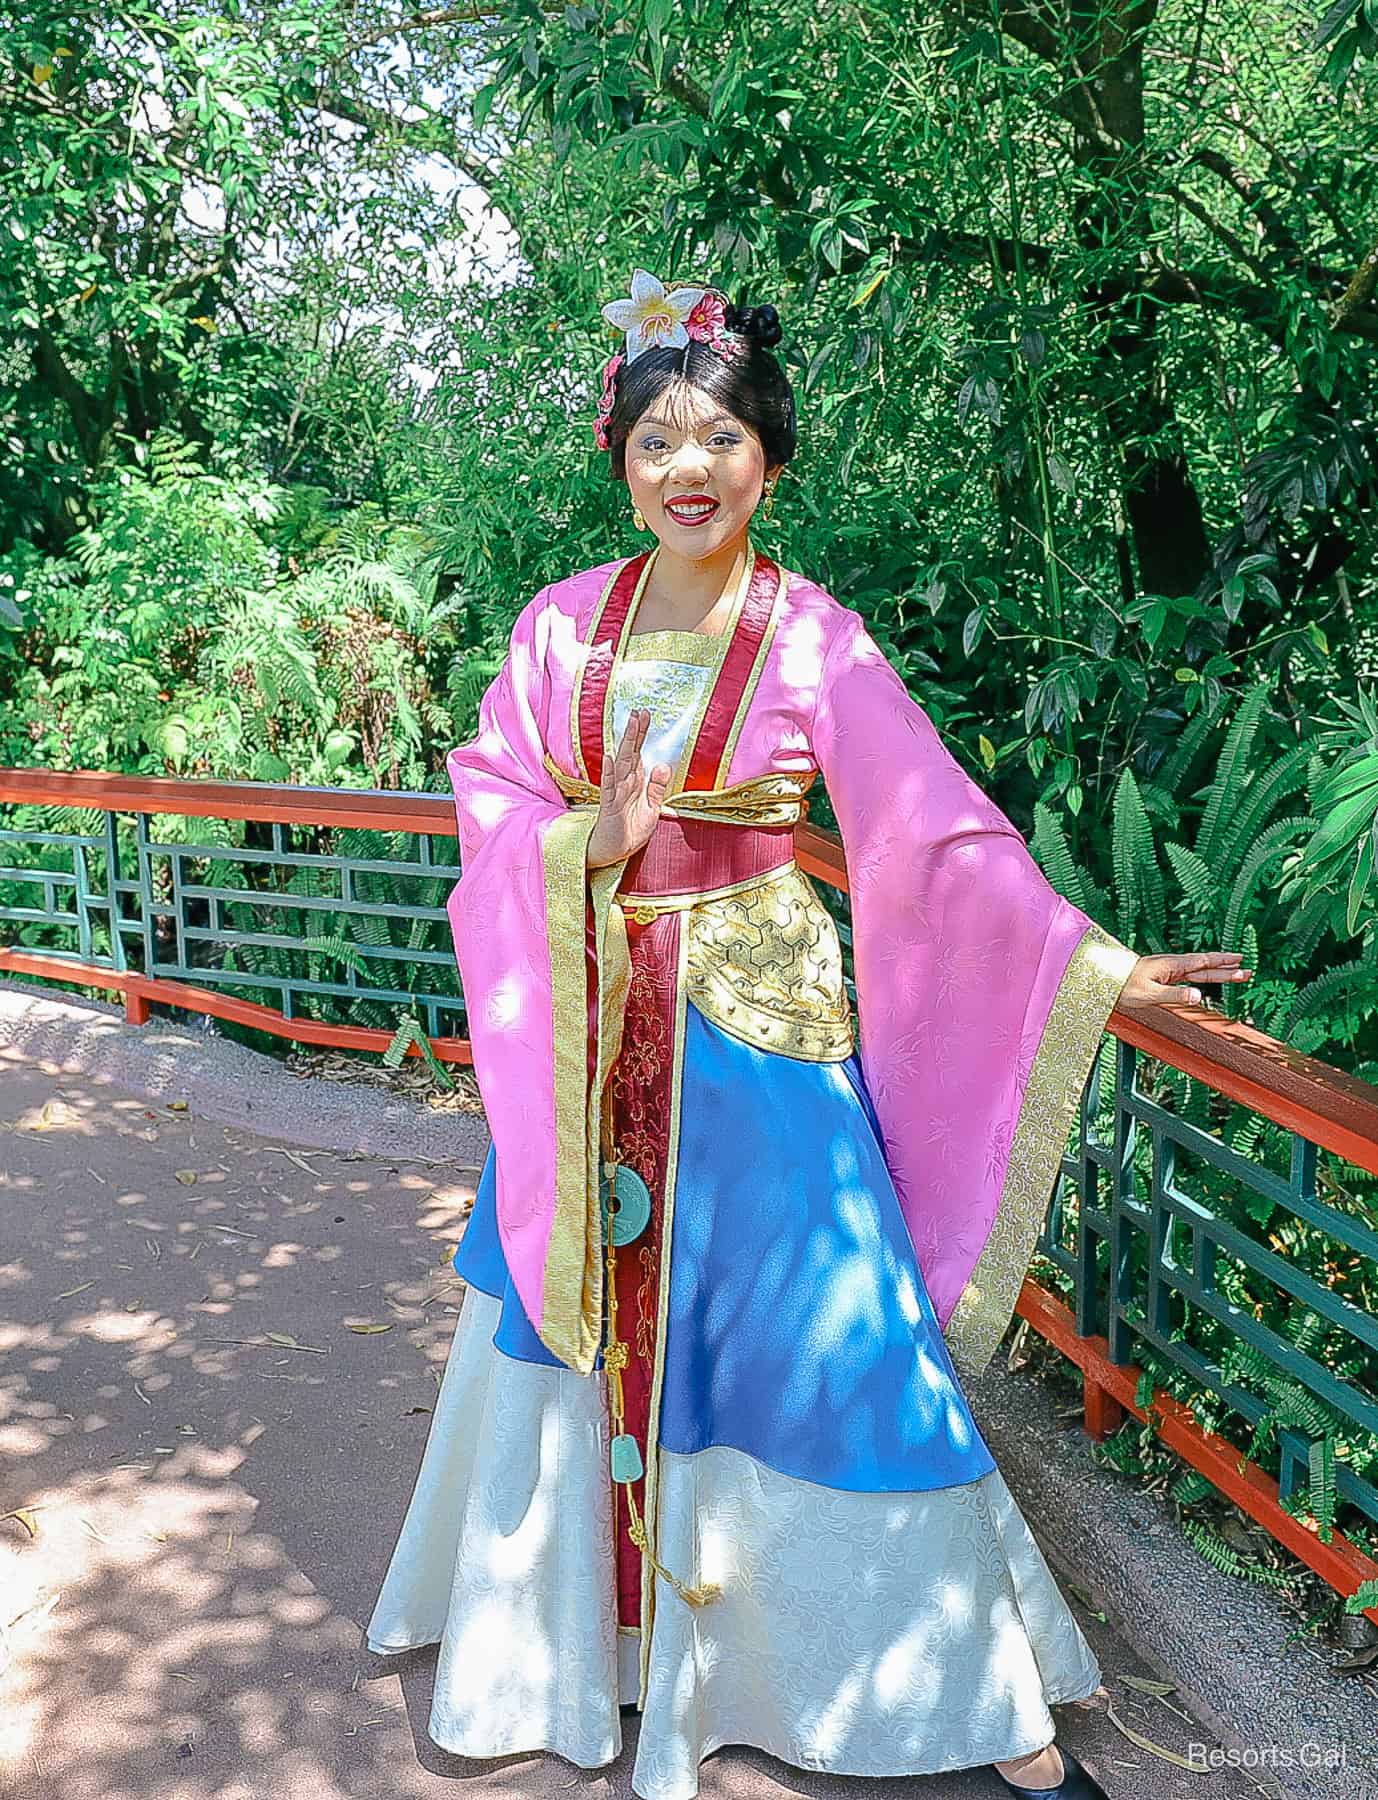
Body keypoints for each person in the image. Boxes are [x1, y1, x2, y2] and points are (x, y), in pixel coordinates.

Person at [365, 268, 1251, 1800]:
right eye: (655, 440)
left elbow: (933, 839)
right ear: (620, 460)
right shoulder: (557, 628)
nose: (684, 468)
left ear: (767, 456)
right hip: (594, 1029)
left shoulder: (812, 637)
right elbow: (492, 805)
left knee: (842, 1347)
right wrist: (590, 832)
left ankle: (977, 1713)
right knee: (560, 1315)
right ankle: (599, 1655)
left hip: (757, 1029)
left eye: (716, 436)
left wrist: (1090, 965)